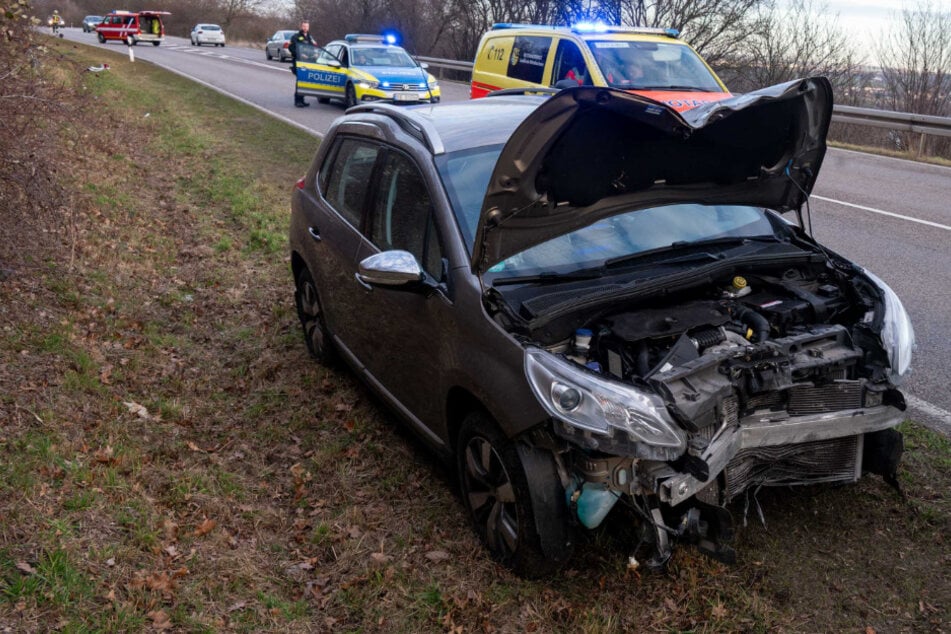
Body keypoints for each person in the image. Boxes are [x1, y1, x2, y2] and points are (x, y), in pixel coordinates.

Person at [288, 20, 316, 107]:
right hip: (299, 62)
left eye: (307, 26)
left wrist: (314, 53)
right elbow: (291, 47)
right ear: (301, 26)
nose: (305, 28)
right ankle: (297, 101)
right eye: (304, 26)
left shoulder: (310, 37)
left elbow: (312, 47)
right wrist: (299, 54)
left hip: (307, 62)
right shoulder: (295, 37)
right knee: (300, 81)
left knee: (304, 81)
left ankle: (302, 100)